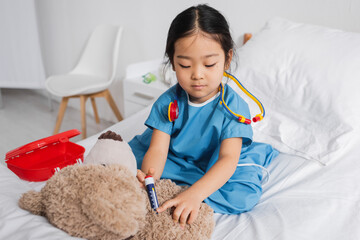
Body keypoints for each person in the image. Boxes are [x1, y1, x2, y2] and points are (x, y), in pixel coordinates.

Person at [129, 4, 278, 229]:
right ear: (173, 61)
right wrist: (150, 180)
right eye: (185, 65)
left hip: (216, 162)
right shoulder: (167, 102)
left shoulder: (234, 108)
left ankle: (191, 189)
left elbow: (228, 159)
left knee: (241, 197)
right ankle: (183, 186)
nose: (197, 75)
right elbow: (159, 150)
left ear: (227, 60)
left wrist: (195, 194)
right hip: (176, 158)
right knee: (133, 162)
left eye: (209, 64)